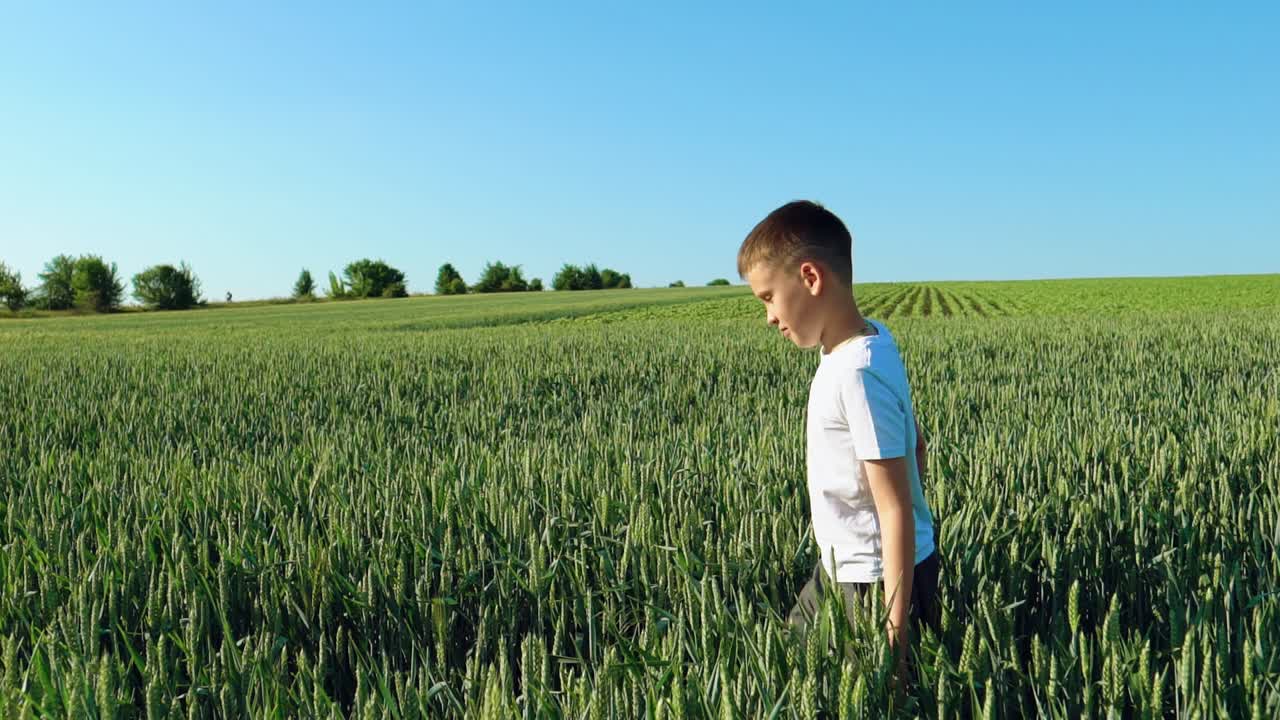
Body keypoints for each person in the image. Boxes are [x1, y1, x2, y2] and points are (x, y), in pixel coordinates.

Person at [737, 200, 940, 680]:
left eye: (768, 297)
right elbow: (917, 446)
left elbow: (893, 510)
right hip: (841, 566)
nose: (767, 316)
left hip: (871, 581)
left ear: (809, 278)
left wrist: (896, 635)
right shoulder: (873, 343)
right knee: (786, 662)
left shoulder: (856, 374)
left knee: (862, 691)